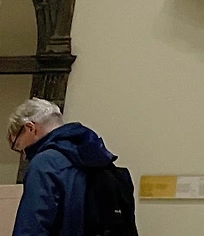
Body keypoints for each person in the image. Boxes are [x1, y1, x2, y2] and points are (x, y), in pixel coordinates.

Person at [8, 99, 135, 236]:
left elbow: (31, 228)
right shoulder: (100, 159)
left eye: (18, 146)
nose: (24, 155)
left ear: (30, 128)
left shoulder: (45, 164)